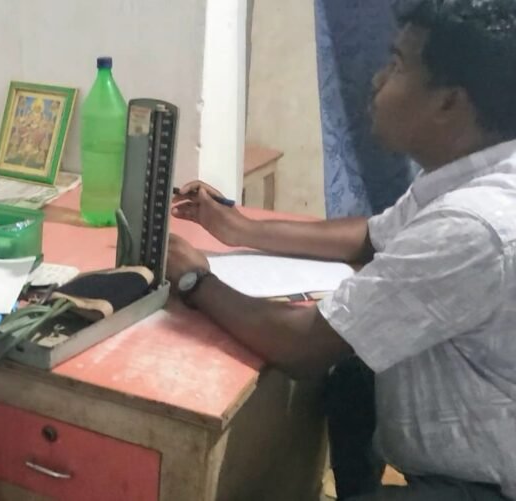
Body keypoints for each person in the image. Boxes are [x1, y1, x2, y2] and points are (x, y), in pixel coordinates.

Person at [166, 1, 516, 499]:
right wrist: (241, 228)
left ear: (449, 103)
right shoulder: (473, 174)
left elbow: (303, 346)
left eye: (396, 66)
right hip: (472, 445)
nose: (376, 81)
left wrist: (196, 280)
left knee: (339, 360)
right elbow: (371, 236)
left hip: (488, 482)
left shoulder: (472, 225)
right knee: (352, 379)